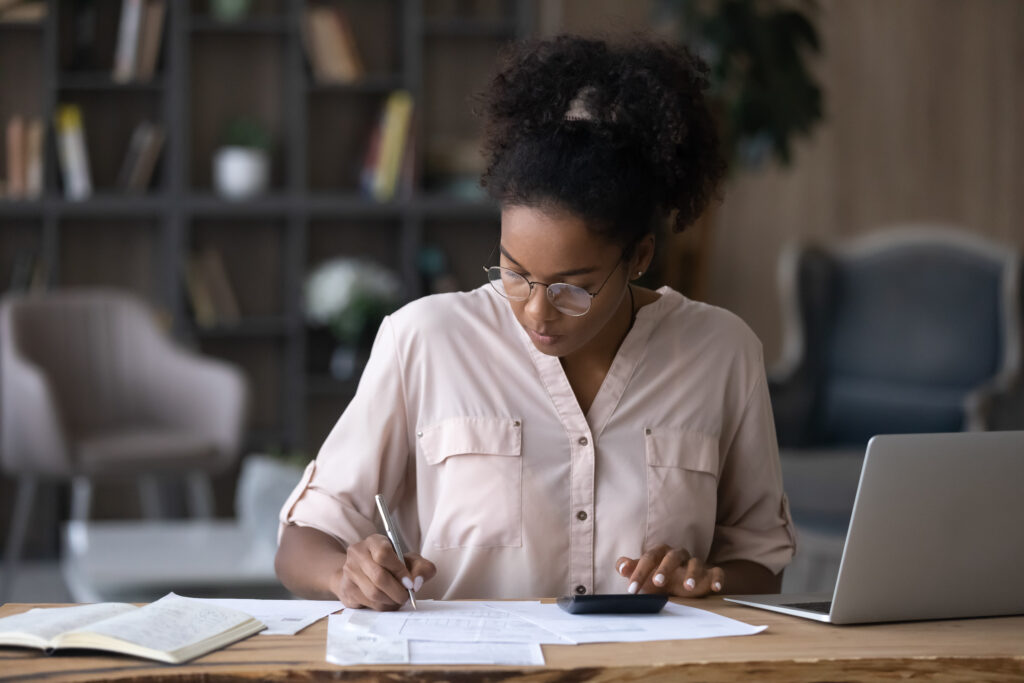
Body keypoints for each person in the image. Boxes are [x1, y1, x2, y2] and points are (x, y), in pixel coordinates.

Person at [275, 34, 795, 611]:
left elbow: (761, 563)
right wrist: (347, 573)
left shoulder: (722, 353)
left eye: (572, 287)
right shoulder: (423, 339)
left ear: (640, 258)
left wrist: (702, 581)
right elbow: (302, 542)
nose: (536, 311)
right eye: (515, 272)